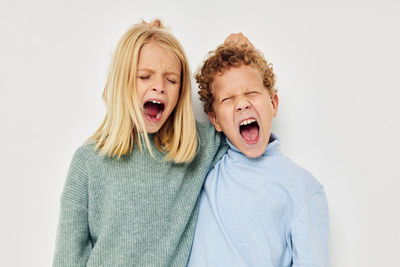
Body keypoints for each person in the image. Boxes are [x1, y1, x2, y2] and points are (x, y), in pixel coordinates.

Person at [53, 20, 227, 266]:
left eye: (172, 80)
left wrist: (235, 57)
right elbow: (67, 258)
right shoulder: (88, 161)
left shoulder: (199, 147)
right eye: (145, 76)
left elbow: (241, 130)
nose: (159, 86)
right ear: (123, 80)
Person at [187, 39, 329, 266]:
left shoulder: (302, 187)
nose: (242, 104)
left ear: (273, 103)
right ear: (214, 119)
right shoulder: (206, 164)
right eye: (228, 99)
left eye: (251, 93)